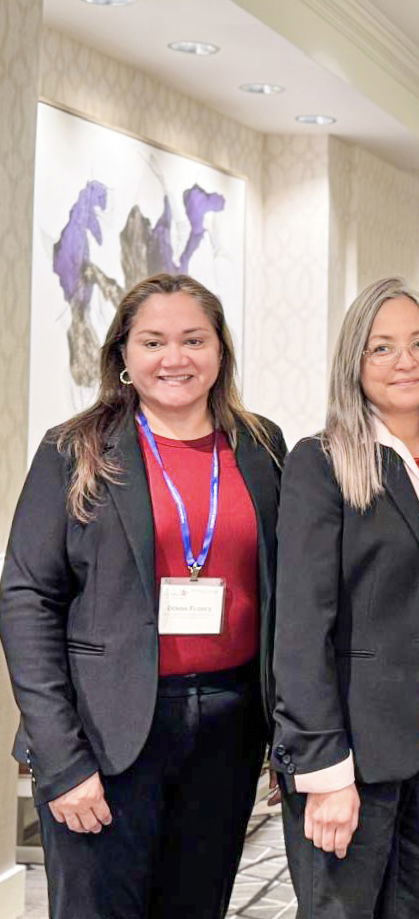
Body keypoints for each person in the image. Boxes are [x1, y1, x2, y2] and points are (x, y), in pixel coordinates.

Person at [0, 273, 285, 918]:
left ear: (220, 353)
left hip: (229, 726)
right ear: (124, 356)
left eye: (194, 340)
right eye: (153, 341)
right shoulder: (76, 449)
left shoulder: (262, 445)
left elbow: (286, 593)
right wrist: (62, 760)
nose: (175, 358)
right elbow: (26, 601)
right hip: (104, 733)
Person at [272, 278, 419, 918]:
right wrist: (324, 770)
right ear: (353, 364)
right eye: (382, 348)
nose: (406, 361)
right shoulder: (324, 462)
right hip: (351, 757)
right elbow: (301, 627)